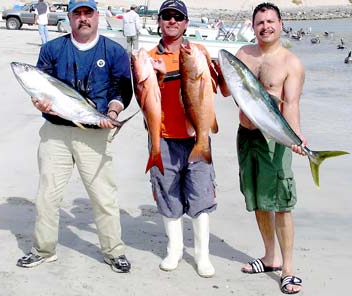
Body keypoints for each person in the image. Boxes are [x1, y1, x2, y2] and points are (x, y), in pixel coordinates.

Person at [16, 0, 133, 273]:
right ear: (69, 18)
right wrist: (40, 103)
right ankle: (43, 250)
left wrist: (113, 113)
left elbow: (122, 90)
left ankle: (113, 252)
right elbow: (40, 89)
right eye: (77, 14)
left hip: (94, 133)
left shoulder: (113, 51)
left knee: (103, 196)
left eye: (87, 13)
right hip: (55, 131)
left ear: (97, 16)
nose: (83, 19)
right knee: (47, 195)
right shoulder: (52, 49)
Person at [223, 2, 305, 294]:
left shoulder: (290, 63)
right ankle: (269, 258)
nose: (266, 26)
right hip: (246, 136)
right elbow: (224, 89)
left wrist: (296, 137)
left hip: (275, 140)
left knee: (281, 204)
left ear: (281, 24)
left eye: (271, 21)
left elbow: (291, 105)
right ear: (253, 26)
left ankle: (288, 269)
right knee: (257, 199)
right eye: (260, 22)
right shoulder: (243, 54)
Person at [147, 0, 221, 278]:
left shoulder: (198, 51)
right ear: (159, 21)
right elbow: (143, 97)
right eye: (167, 16)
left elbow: (217, 88)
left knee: (201, 195)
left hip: (197, 136)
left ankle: (203, 255)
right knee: (168, 195)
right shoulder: (150, 56)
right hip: (164, 137)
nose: (172, 21)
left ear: (187, 23)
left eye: (178, 17)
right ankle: (174, 249)